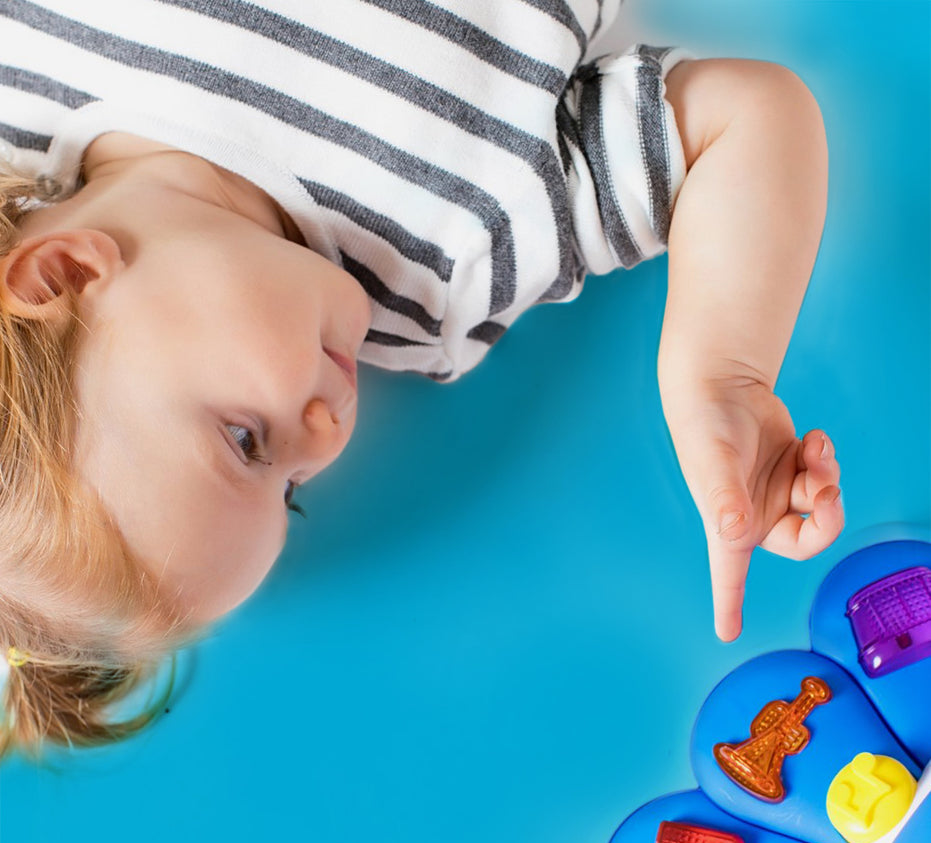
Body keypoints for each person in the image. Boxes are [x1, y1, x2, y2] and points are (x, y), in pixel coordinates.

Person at [0, 0, 842, 754]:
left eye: (247, 441)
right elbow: (742, 119)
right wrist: (719, 371)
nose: (329, 438)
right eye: (291, 490)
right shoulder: (452, 268)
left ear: (61, 276)